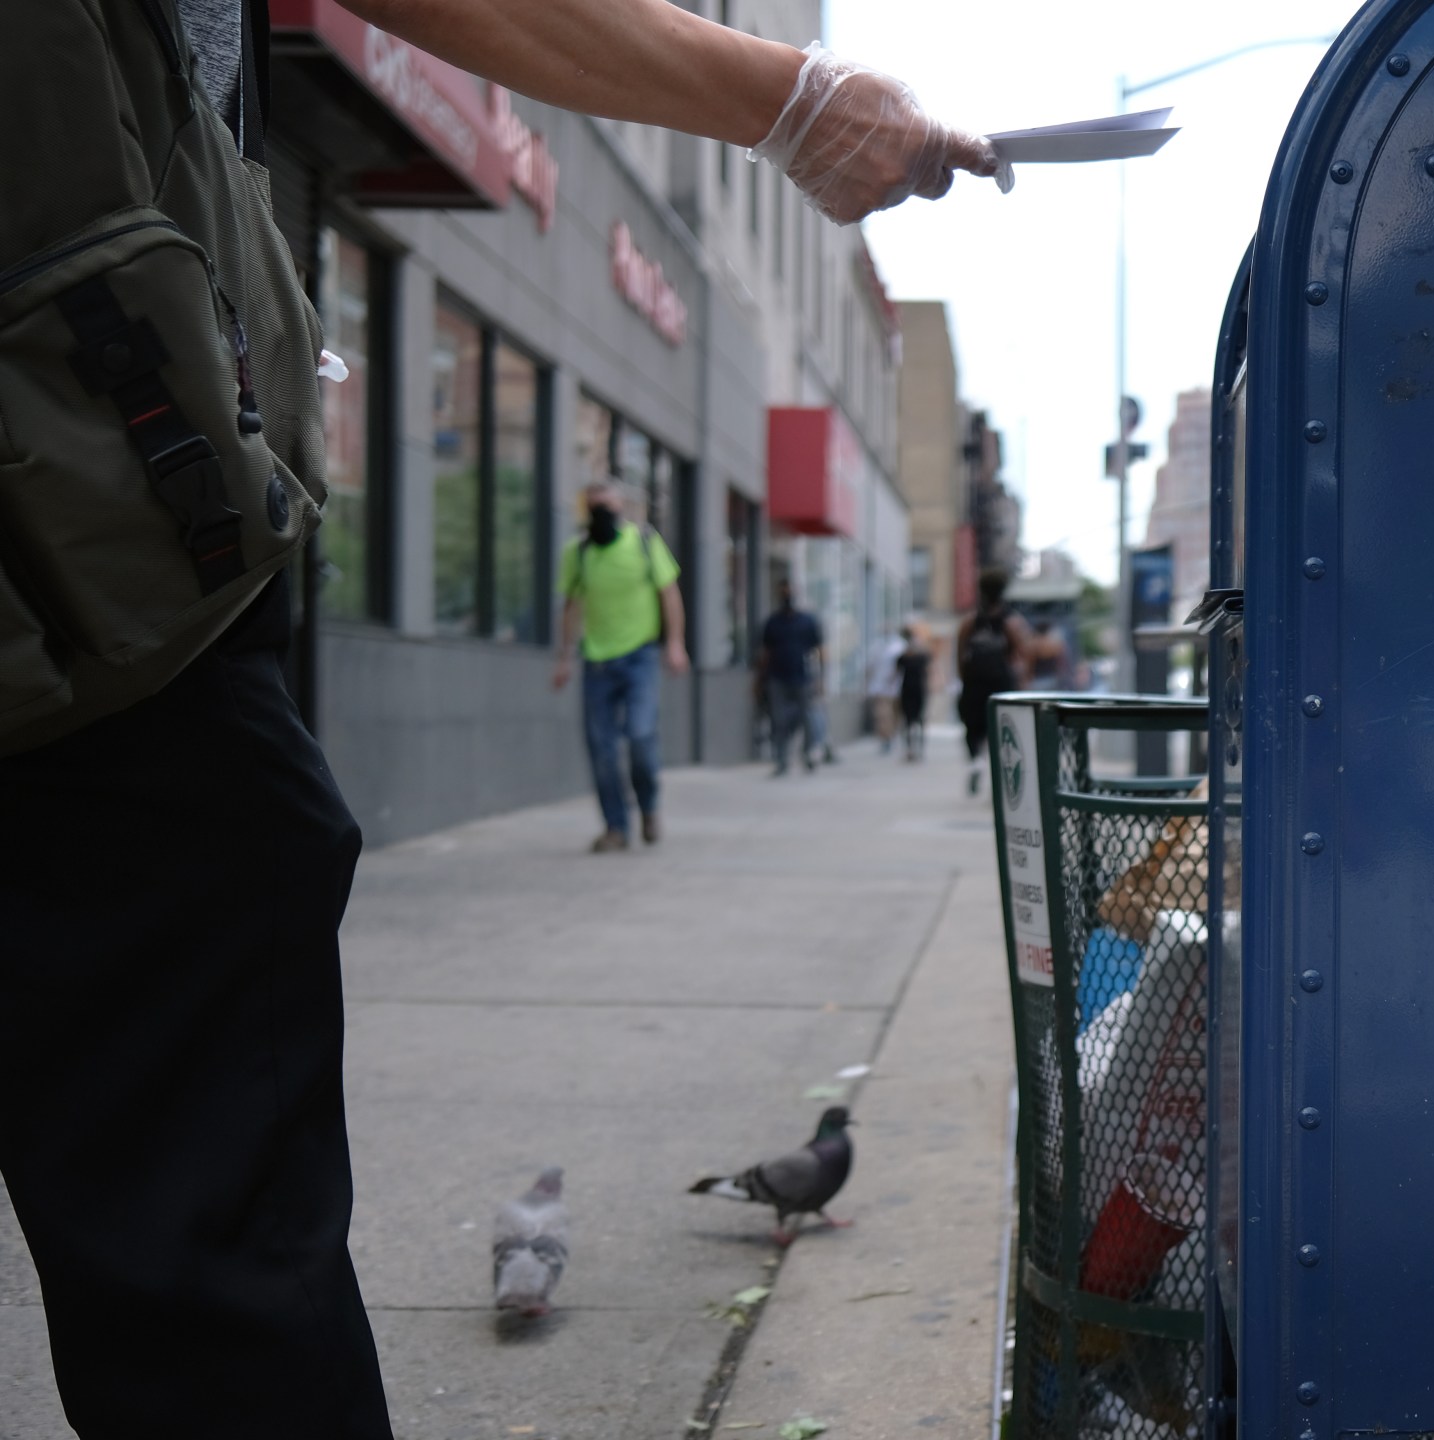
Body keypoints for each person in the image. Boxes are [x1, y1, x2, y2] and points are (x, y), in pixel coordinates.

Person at [0, 3, 993, 1432]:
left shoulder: (632, 547)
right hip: (89, 562)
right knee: (203, 1229)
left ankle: (629, 803)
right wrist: (794, 98)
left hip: (100, 536)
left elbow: (642, 605)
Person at [553, 483, 688, 846]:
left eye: (608, 507)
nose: (601, 514)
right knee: (602, 749)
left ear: (621, 508)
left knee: (641, 737)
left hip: (640, 657)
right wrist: (564, 657)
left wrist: (675, 643)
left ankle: (648, 806)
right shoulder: (577, 553)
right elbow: (571, 606)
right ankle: (616, 827)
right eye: (594, 507)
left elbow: (669, 593)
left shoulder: (643, 543)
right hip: (596, 662)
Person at [957, 572, 1060, 793]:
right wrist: (1024, 683)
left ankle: (976, 762)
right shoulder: (1012, 622)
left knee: (973, 729)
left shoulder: (970, 622)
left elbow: (960, 655)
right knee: (1002, 731)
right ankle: (998, 779)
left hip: (974, 684)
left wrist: (965, 679)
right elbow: (1025, 654)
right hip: (1001, 685)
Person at [756, 579, 826, 777]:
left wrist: (821, 678)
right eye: (784, 591)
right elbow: (765, 653)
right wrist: (759, 681)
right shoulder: (773, 622)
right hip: (777, 677)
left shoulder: (807, 621)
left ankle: (808, 755)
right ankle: (782, 760)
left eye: (790, 591)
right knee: (778, 721)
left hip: (803, 677)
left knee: (807, 719)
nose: (787, 596)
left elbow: (819, 650)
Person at [896, 622, 935, 762]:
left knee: (918, 720)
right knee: (908, 721)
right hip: (908, 690)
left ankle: (918, 748)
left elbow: (930, 672)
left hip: (918, 690)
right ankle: (910, 749)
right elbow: (895, 674)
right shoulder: (903, 657)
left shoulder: (922, 656)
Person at [866, 624, 908, 755]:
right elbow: (869, 667)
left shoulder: (900, 646)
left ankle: (891, 736)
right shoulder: (876, 646)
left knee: (895, 715)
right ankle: (886, 738)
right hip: (881, 688)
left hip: (897, 687)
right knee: (883, 715)